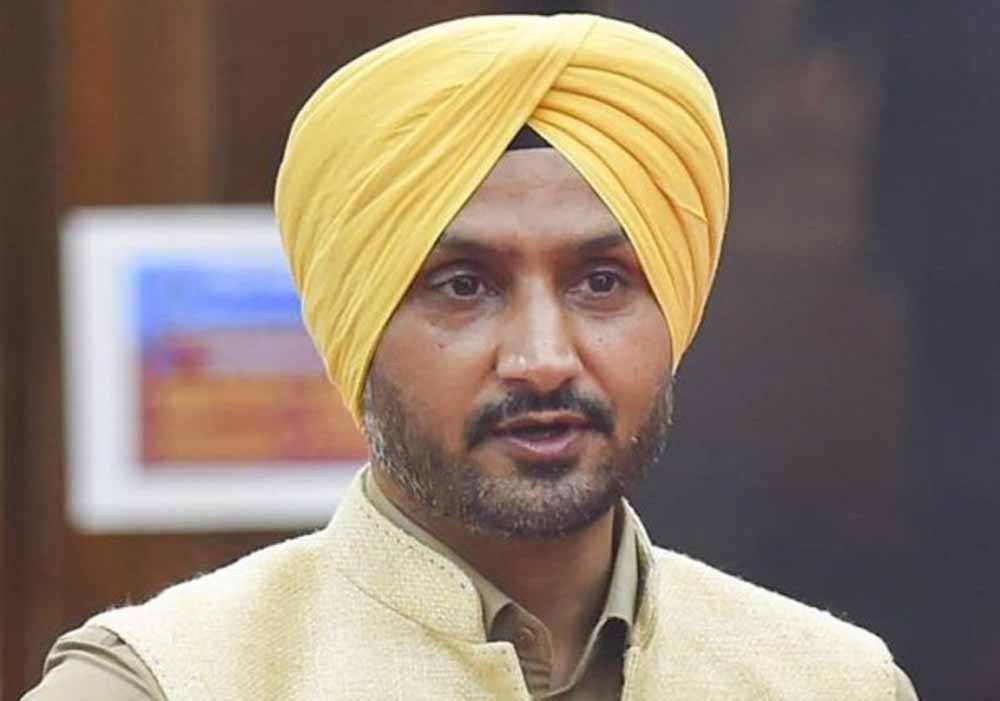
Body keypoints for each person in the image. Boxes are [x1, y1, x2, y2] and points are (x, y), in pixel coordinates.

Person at [25, 14, 917, 700]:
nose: (542, 358)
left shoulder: (828, 681)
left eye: (601, 281)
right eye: (464, 285)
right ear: (356, 323)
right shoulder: (163, 682)